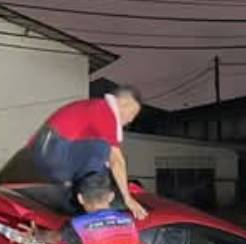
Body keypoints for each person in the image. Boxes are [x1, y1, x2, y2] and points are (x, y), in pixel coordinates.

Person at [15, 86, 147, 220]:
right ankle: (96, 207)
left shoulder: (92, 109)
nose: (130, 120)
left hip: (37, 160)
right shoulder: (105, 112)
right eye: (132, 114)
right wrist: (128, 199)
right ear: (122, 103)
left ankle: (77, 202)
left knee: (100, 160)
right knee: (101, 153)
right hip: (49, 157)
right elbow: (117, 161)